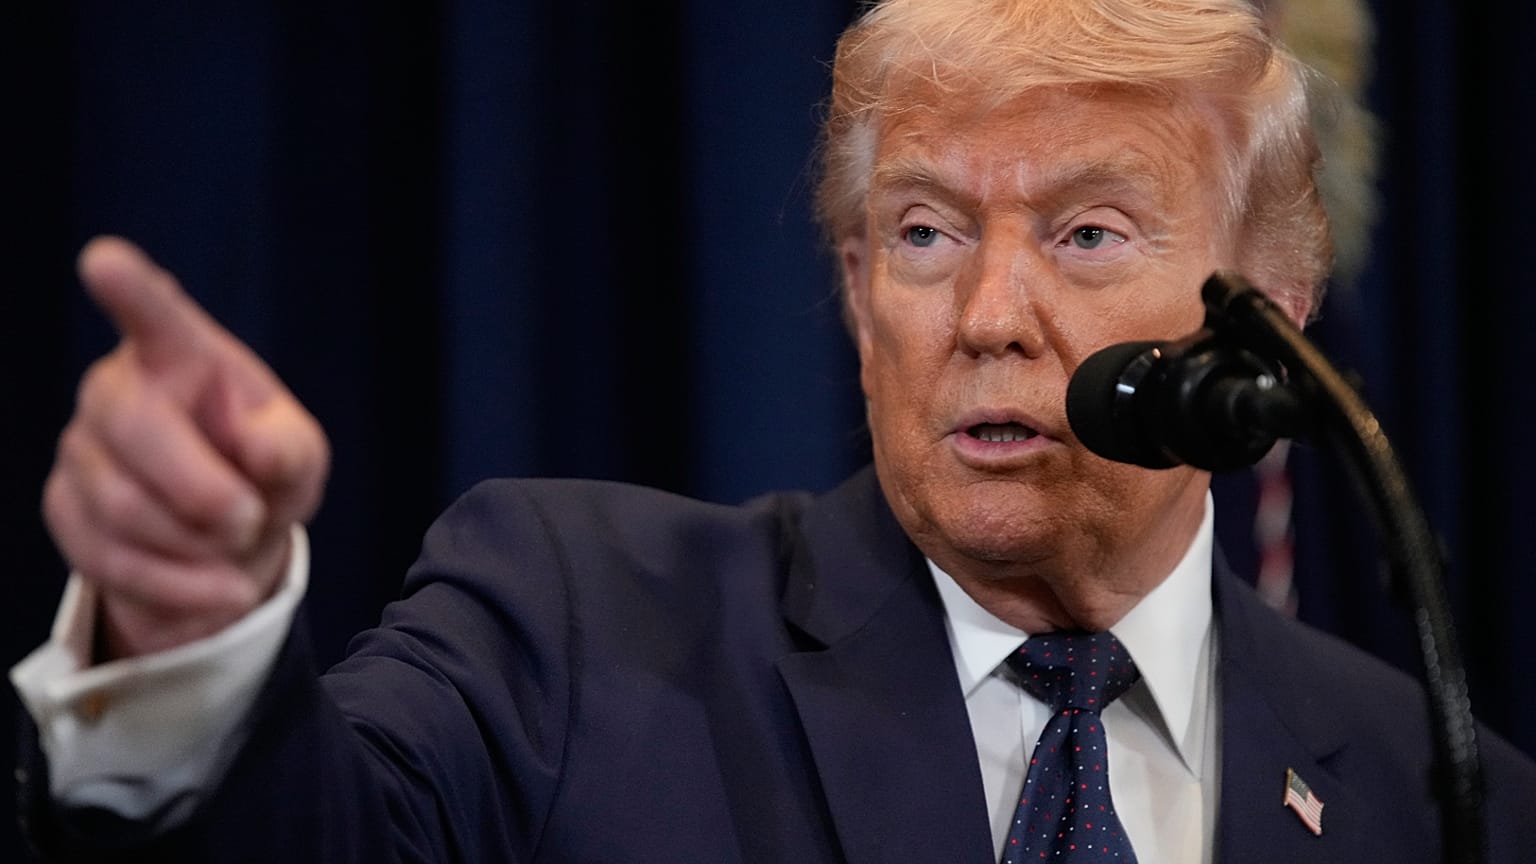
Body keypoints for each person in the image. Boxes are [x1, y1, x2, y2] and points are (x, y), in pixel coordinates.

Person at [12, 0, 1536, 861]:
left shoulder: (1447, 792)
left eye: (1086, 235)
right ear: (859, 287)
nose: (990, 315)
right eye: (926, 233)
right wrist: (185, 643)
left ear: (1265, 302)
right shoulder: (571, 627)